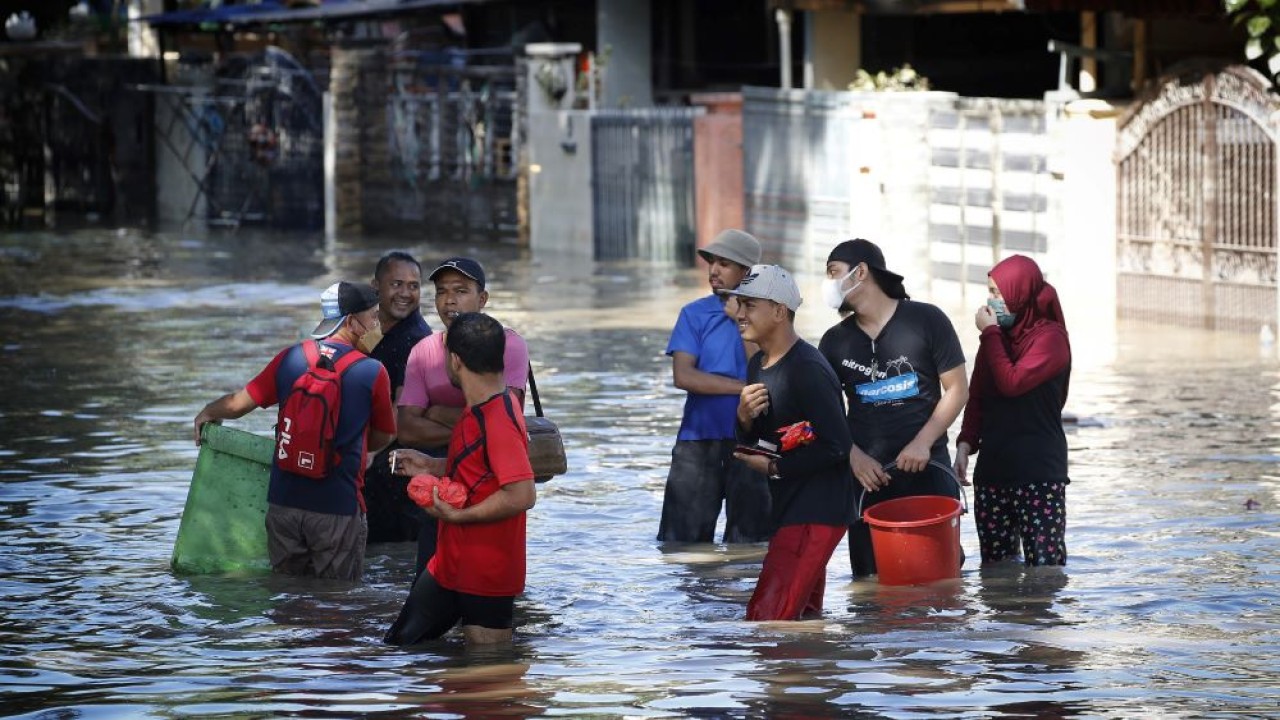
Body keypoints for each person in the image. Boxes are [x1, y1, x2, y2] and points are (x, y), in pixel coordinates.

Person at [192, 282, 395, 581]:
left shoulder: (290, 358)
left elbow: (238, 404)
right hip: (337, 507)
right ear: (352, 322)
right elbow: (384, 435)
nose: (377, 324)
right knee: (336, 608)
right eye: (374, 317)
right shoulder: (372, 371)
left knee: (288, 602)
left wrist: (208, 412)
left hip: (283, 505)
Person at [816, 239, 968, 579]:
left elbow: (957, 389)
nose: (828, 283)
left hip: (930, 474)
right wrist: (853, 456)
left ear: (862, 272)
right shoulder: (833, 342)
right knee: (871, 589)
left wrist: (923, 442)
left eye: (833, 272)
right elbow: (824, 414)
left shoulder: (927, 320)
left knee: (939, 583)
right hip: (868, 482)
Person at [383, 312, 536, 645]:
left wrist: (459, 515)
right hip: (450, 563)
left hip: (486, 570)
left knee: (487, 674)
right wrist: (431, 465)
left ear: (454, 360)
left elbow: (522, 494)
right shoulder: (480, 407)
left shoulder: (498, 417)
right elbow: (482, 471)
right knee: (397, 648)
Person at [726, 265, 855, 621]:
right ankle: (810, 675)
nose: (739, 314)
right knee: (801, 620)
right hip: (789, 508)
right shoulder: (757, 365)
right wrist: (744, 418)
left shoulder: (808, 369)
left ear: (780, 311)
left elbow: (837, 445)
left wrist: (775, 467)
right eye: (740, 305)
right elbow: (757, 441)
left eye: (750, 306)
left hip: (817, 510)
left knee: (767, 622)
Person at [397, 257, 528, 572]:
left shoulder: (506, 344)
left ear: (482, 299)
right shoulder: (424, 351)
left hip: (491, 478)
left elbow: (506, 417)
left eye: (461, 290)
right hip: (438, 481)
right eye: (442, 292)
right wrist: (470, 425)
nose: (449, 300)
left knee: (485, 565)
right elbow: (407, 429)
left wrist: (437, 412)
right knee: (431, 565)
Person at [954, 255, 1071, 566]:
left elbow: (1012, 382)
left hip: (1039, 474)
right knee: (995, 571)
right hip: (993, 472)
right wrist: (965, 445)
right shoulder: (996, 339)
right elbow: (978, 394)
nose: (991, 300)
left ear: (1020, 292)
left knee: (1045, 571)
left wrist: (989, 334)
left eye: (997, 292)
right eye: (990, 292)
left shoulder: (1050, 339)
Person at [658, 229, 773, 544]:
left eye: (724, 264)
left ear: (747, 273)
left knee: (752, 544)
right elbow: (684, 376)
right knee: (681, 542)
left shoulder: (771, 314)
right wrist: (743, 389)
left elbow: (765, 372)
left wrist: (742, 320)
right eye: (712, 263)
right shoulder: (694, 313)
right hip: (698, 439)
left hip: (753, 442)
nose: (713, 271)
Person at [363, 251, 435, 545]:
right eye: (397, 284)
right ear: (375, 287)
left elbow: (400, 405)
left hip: (393, 466)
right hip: (377, 459)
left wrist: (367, 453)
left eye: (414, 286)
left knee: (391, 549)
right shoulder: (371, 328)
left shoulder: (415, 338)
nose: (406, 293)